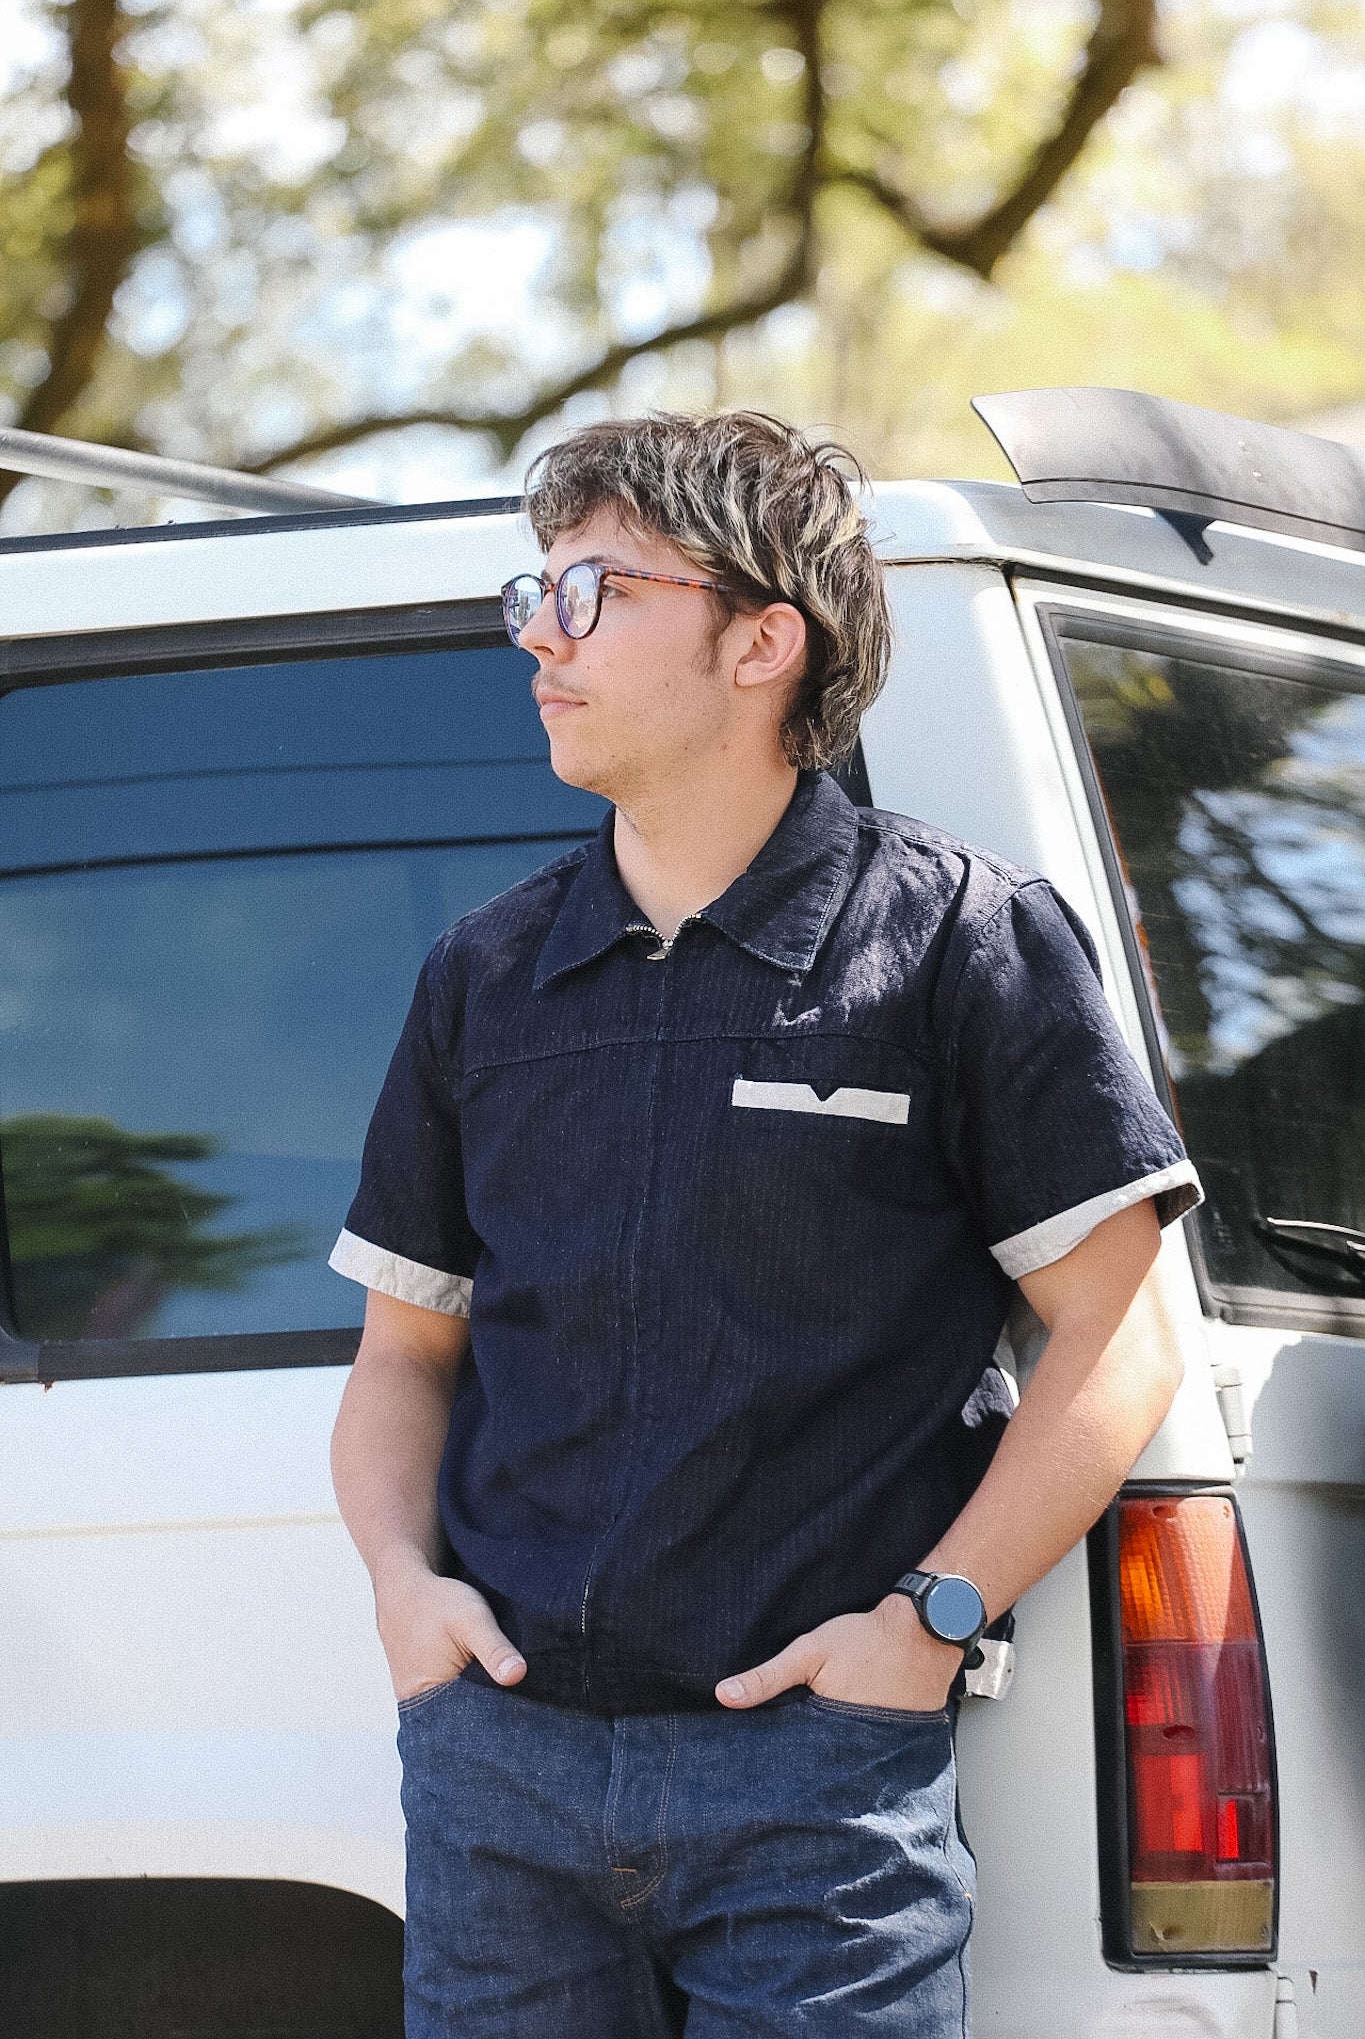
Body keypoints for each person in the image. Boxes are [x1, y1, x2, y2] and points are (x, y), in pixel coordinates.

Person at [328, 411, 1201, 2037]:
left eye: (594, 593)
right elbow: (404, 1353)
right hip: (498, 1771)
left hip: (817, 1787)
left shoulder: (957, 941)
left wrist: (927, 1622)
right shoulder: (484, 975)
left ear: (761, 640)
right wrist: (401, 1587)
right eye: (535, 594)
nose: (540, 637)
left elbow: (1121, 1335)